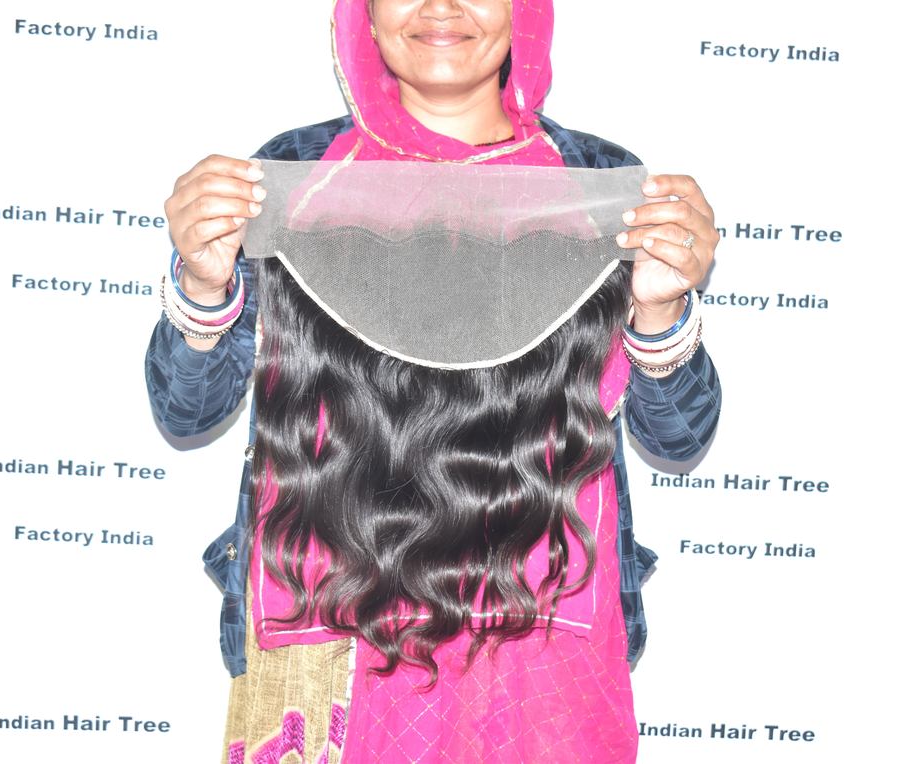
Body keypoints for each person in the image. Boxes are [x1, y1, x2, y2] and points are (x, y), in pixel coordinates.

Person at [146, 1, 721, 761]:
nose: (441, 5)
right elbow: (187, 410)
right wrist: (202, 285)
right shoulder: (292, 175)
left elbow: (678, 435)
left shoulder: (601, 186)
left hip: (542, 650)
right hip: (328, 640)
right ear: (363, 15)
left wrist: (660, 310)